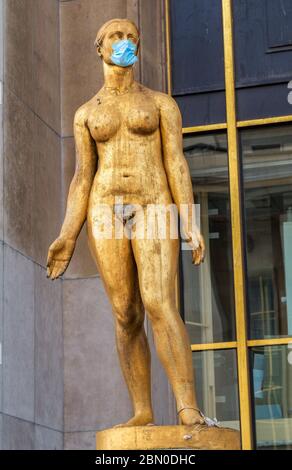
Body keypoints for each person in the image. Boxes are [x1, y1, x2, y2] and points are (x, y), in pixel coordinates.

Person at [47, 18, 206, 427]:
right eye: (116, 37)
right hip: (105, 208)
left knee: (158, 302)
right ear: (99, 48)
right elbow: (83, 176)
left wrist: (189, 219)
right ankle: (142, 410)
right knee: (125, 312)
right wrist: (68, 233)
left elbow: (176, 161)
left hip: (154, 203)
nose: (125, 42)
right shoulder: (86, 113)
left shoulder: (160, 103)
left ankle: (187, 406)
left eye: (132, 36)